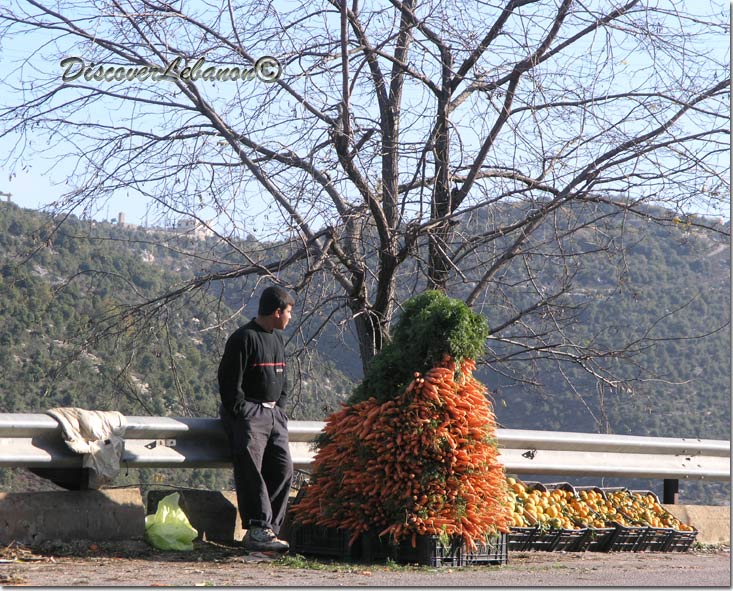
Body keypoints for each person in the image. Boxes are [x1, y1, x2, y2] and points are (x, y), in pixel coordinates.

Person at [217, 285, 295, 552]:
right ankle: (257, 527)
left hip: (274, 415)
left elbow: (284, 379)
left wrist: (279, 409)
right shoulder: (243, 338)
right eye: (288, 311)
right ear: (276, 311)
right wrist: (244, 412)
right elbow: (229, 383)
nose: (290, 317)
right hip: (250, 414)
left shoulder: (276, 340)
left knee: (284, 469)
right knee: (251, 469)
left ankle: (269, 530)